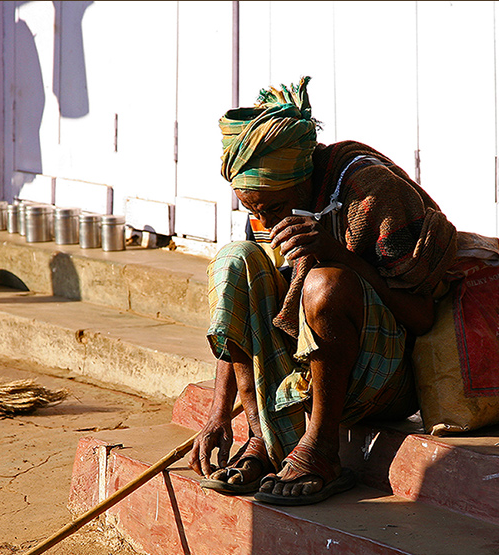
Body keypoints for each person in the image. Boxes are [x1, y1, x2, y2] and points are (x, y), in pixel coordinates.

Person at [188, 77, 457, 505]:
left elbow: (421, 316)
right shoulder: (267, 206)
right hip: (300, 376)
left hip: (383, 379)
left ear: (305, 177)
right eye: (252, 208)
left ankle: (321, 449)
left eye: (273, 208)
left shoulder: (371, 192)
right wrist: (219, 414)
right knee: (233, 259)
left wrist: (339, 255)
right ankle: (265, 439)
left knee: (324, 283)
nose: (264, 218)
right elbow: (239, 309)